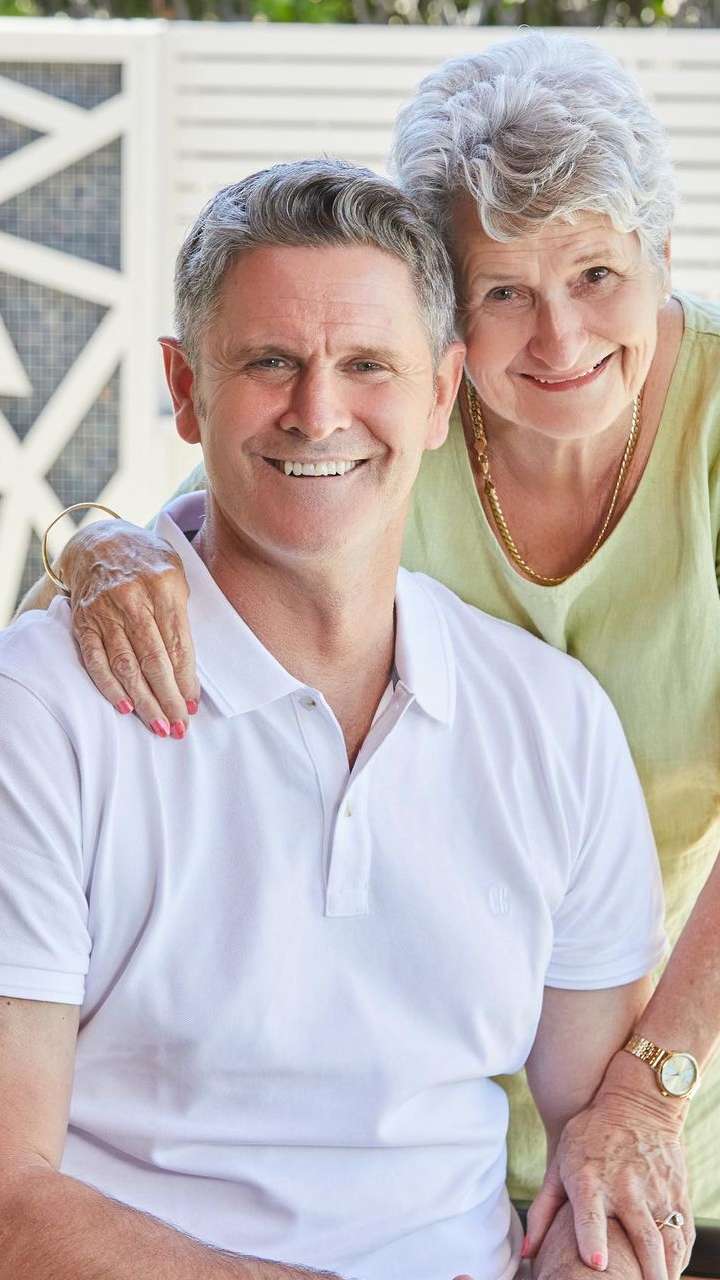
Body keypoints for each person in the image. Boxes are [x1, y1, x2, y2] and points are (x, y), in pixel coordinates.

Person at [17, 29, 719, 1280]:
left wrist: (648, 1092)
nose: (559, 336)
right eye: (504, 289)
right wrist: (88, 544)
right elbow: (203, 530)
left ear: (662, 257)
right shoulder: (362, 427)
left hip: (656, 1066)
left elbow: (604, 1175)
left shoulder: (560, 708)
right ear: (453, 338)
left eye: (599, 274)